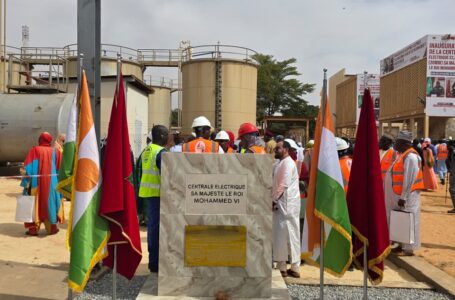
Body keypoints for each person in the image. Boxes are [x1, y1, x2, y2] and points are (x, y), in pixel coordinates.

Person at [386, 131, 424, 256]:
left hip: (409, 195)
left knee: (410, 220)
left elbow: (409, 179)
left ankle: (408, 249)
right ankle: (400, 245)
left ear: (405, 143)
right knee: (401, 221)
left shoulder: (411, 157)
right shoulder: (402, 155)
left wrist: (404, 196)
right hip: (400, 194)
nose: (395, 143)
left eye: (398, 141)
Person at [138, 125, 169, 272]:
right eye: (167, 135)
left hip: (148, 194)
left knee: (152, 229)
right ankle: (155, 264)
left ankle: (153, 262)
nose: (169, 139)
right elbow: (169, 175)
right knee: (156, 231)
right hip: (157, 195)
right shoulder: (161, 152)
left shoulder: (147, 150)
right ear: (162, 136)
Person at [20, 132, 63, 236]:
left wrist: (25, 179)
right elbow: (59, 169)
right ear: (50, 140)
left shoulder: (35, 150)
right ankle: (52, 228)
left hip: (36, 184)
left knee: (33, 204)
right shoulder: (56, 152)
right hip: (52, 184)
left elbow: (27, 168)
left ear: (40, 140)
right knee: (51, 204)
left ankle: (33, 230)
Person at [272, 140, 301, 278]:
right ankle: (282, 267)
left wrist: (273, 200)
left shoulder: (288, 163)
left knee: (292, 235)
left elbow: (283, 185)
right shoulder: (279, 163)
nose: (275, 150)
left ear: (286, 150)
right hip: (281, 204)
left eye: (278, 148)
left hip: (288, 205)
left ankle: (295, 268)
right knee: (280, 235)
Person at [445, 141, 455, 213]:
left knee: (452, 189)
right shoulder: (450, 153)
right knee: (452, 190)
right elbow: (448, 162)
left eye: (448, 145)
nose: (447, 147)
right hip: (452, 173)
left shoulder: (453, 152)